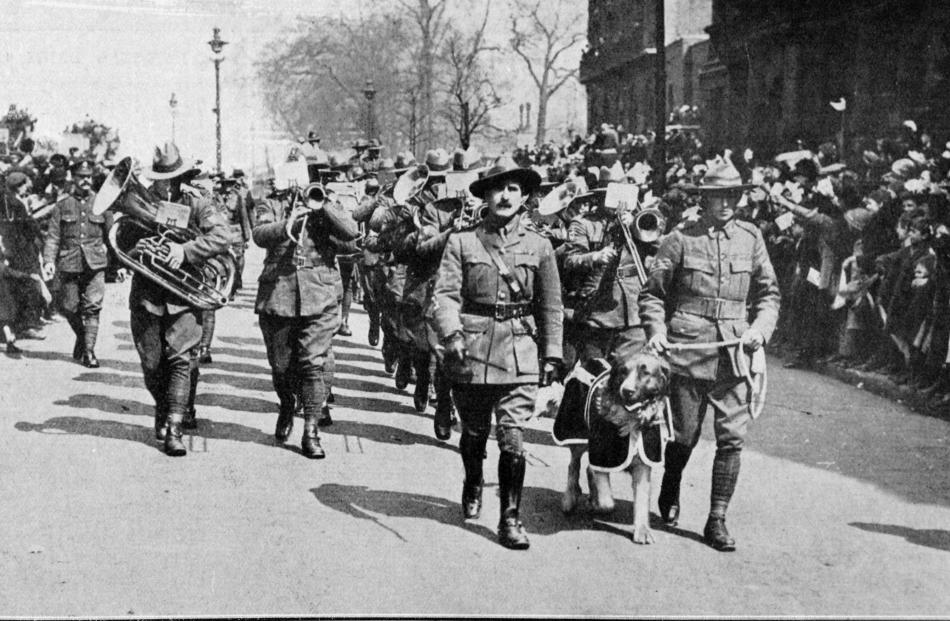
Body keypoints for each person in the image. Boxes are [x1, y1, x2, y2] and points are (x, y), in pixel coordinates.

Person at [639, 158, 780, 551]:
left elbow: (769, 294)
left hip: (734, 352)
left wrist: (759, 330)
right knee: (684, 436)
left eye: (732, 196)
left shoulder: (751, 238)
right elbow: (652, 294)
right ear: (704, 199)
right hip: (689, 350)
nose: (726, 203)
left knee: (732, 438)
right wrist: (657, 331)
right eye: (719, 196)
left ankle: (716, 519)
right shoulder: (681, 238)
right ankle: (671, 483)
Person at [432, 155, 563, 550]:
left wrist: (552, 354)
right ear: (485, 196)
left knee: (513, 438)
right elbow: (445, 296)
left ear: (524, 196)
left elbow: (551, 304)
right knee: (473, 434)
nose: (505, 196)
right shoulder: (462, 241)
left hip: (520, 349)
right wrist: (451, 334)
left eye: (513, 189)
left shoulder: (540, 246)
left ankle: (510, 517)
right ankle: (473, 480)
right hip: (471, 350)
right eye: (497, 189)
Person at [129, 144, 230, 456]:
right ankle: (164, 407)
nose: (166, 185)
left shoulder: (199, 202)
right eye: (161, 179)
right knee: (151, 363)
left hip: (184, 295)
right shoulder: (140, 202)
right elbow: (118, 248)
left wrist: (183, 251)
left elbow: (221, 237)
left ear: (182, 176)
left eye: (172, 178)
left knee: (180, 360)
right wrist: (140, 249)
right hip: (148, 294)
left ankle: (174, 427)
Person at [253, 181, 359, 459]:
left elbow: (351, 233)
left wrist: (322, 206)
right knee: (281, 367)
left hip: (319, 295)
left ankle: (311, 430)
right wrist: (289, 221)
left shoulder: (327, 205)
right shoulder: (271, 203)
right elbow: (259, 234)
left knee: (313, 365)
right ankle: (287, 404)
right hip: (278, 293)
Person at [41, 160, 113, 367]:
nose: (86, 180)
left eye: (89, 176)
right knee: (68, 307)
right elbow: (53, 236)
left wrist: (121, 264)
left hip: (96, 263)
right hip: (69, 262)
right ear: (74, 178)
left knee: (92, 307)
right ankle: (82, 338)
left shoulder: (103, 203)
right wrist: (48, 261)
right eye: (82, 177)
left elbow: (111, 235)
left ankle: (89, 352)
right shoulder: (62, 205)